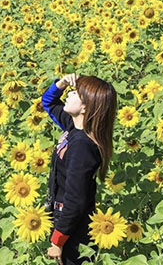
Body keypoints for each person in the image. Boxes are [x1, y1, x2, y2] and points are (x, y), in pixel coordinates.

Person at [42, 73, 117, 265]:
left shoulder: (83, 147)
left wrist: (58, 240)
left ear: (85, 106)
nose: (68, 94)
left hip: (73, 228)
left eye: (74, 93)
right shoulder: (73, 127)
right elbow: (48, 103)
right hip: (63, 219)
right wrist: (62, 83)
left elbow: (76, 200)